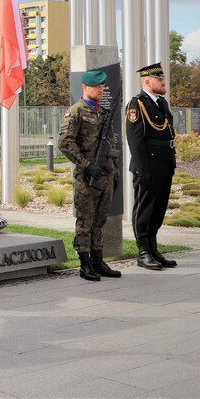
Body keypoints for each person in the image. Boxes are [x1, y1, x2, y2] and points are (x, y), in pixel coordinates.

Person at [58, 70, 121, 282]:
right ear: (85, 87)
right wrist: (86, 165)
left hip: (105, 175)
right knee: (85, 221)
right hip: (87, 178)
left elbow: (111, 145)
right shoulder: (75, 112)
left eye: (103, 86)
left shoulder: (103, 113)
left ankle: (98, 260)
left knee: (100, 220)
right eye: (97, 86)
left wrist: (115, 171)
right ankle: (85, 263)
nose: (101, 90)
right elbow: (65, 143)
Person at [125, 62, 177, 271]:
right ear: (147, 81)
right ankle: (143, 252)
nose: (164, 82)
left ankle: (153, 248)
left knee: (158, 209)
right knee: (145, 209)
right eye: (159, 79)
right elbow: (135, 140)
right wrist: (143, 170)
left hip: (164, 164)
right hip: (147, 166)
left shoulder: (161, 103)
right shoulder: (137, 104)